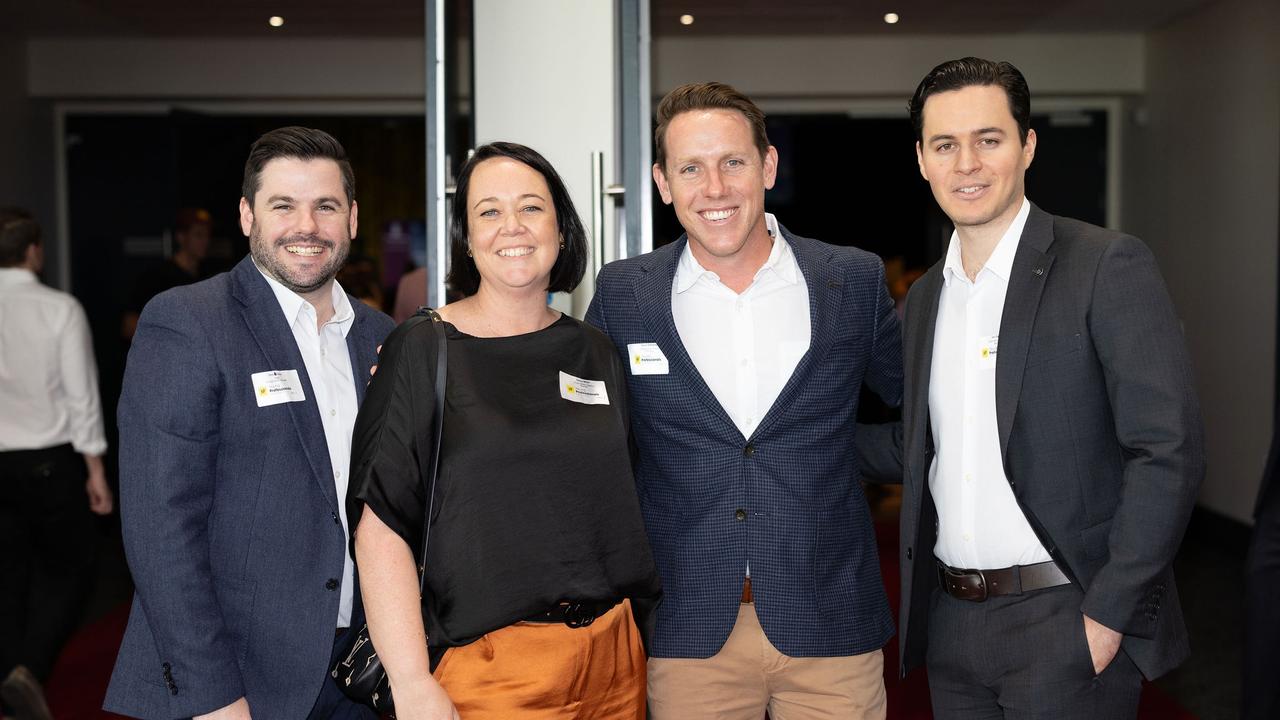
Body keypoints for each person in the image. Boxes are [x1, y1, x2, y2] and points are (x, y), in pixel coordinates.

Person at [858, 57, 1204, 718]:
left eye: (988, 139)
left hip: (1065, 618)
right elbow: (929, 444)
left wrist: (1108, 615)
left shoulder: (1105, 264)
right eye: (945, 145)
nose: (968, 163)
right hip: (952, 623)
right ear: (922, 161)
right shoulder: (927, 296)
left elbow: (1168, 449)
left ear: (1027, 146)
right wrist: (790, 442)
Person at [585, 82, 902, 719]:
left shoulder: (852, 279)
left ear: (768, 165)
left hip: (831, 623)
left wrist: (846, 453)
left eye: (733, 161)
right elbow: (585, 436)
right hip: (688, 631)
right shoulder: (623, 296)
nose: (716, 187)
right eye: (691, 168)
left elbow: (918, 409)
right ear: (663, 182)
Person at [348, 141, 661, 720]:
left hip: (614, 658)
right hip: (489, 667)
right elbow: (381, 526)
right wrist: (413, 683)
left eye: (531, 207)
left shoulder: (594, 350)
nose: (511, 226)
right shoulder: (421, 348)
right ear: (466, 237)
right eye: (488, 211)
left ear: (562, 229)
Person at [104, 127, 395, 719]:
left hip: (361, 671)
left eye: (326, 206)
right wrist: (213, 697)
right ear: (247, 216)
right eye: (282, 205)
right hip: (238, 678)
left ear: (353, 219)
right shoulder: (188, 322)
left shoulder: (382, 337)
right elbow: (161, 527)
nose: (306, 226)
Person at [0, 208, 112, 720]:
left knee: (8, 571)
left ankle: (10, 671)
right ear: (34, 250)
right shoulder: (58, 307)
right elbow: (80, 395)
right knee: (72, 569)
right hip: (49, 463)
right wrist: (95, 469)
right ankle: (29, 666)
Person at [122, 207, 213, 341]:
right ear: (181, 237)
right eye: (198, 235)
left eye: (207, 235)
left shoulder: (209, 278)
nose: (205, 241)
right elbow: (129, 325)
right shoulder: (157, 277)